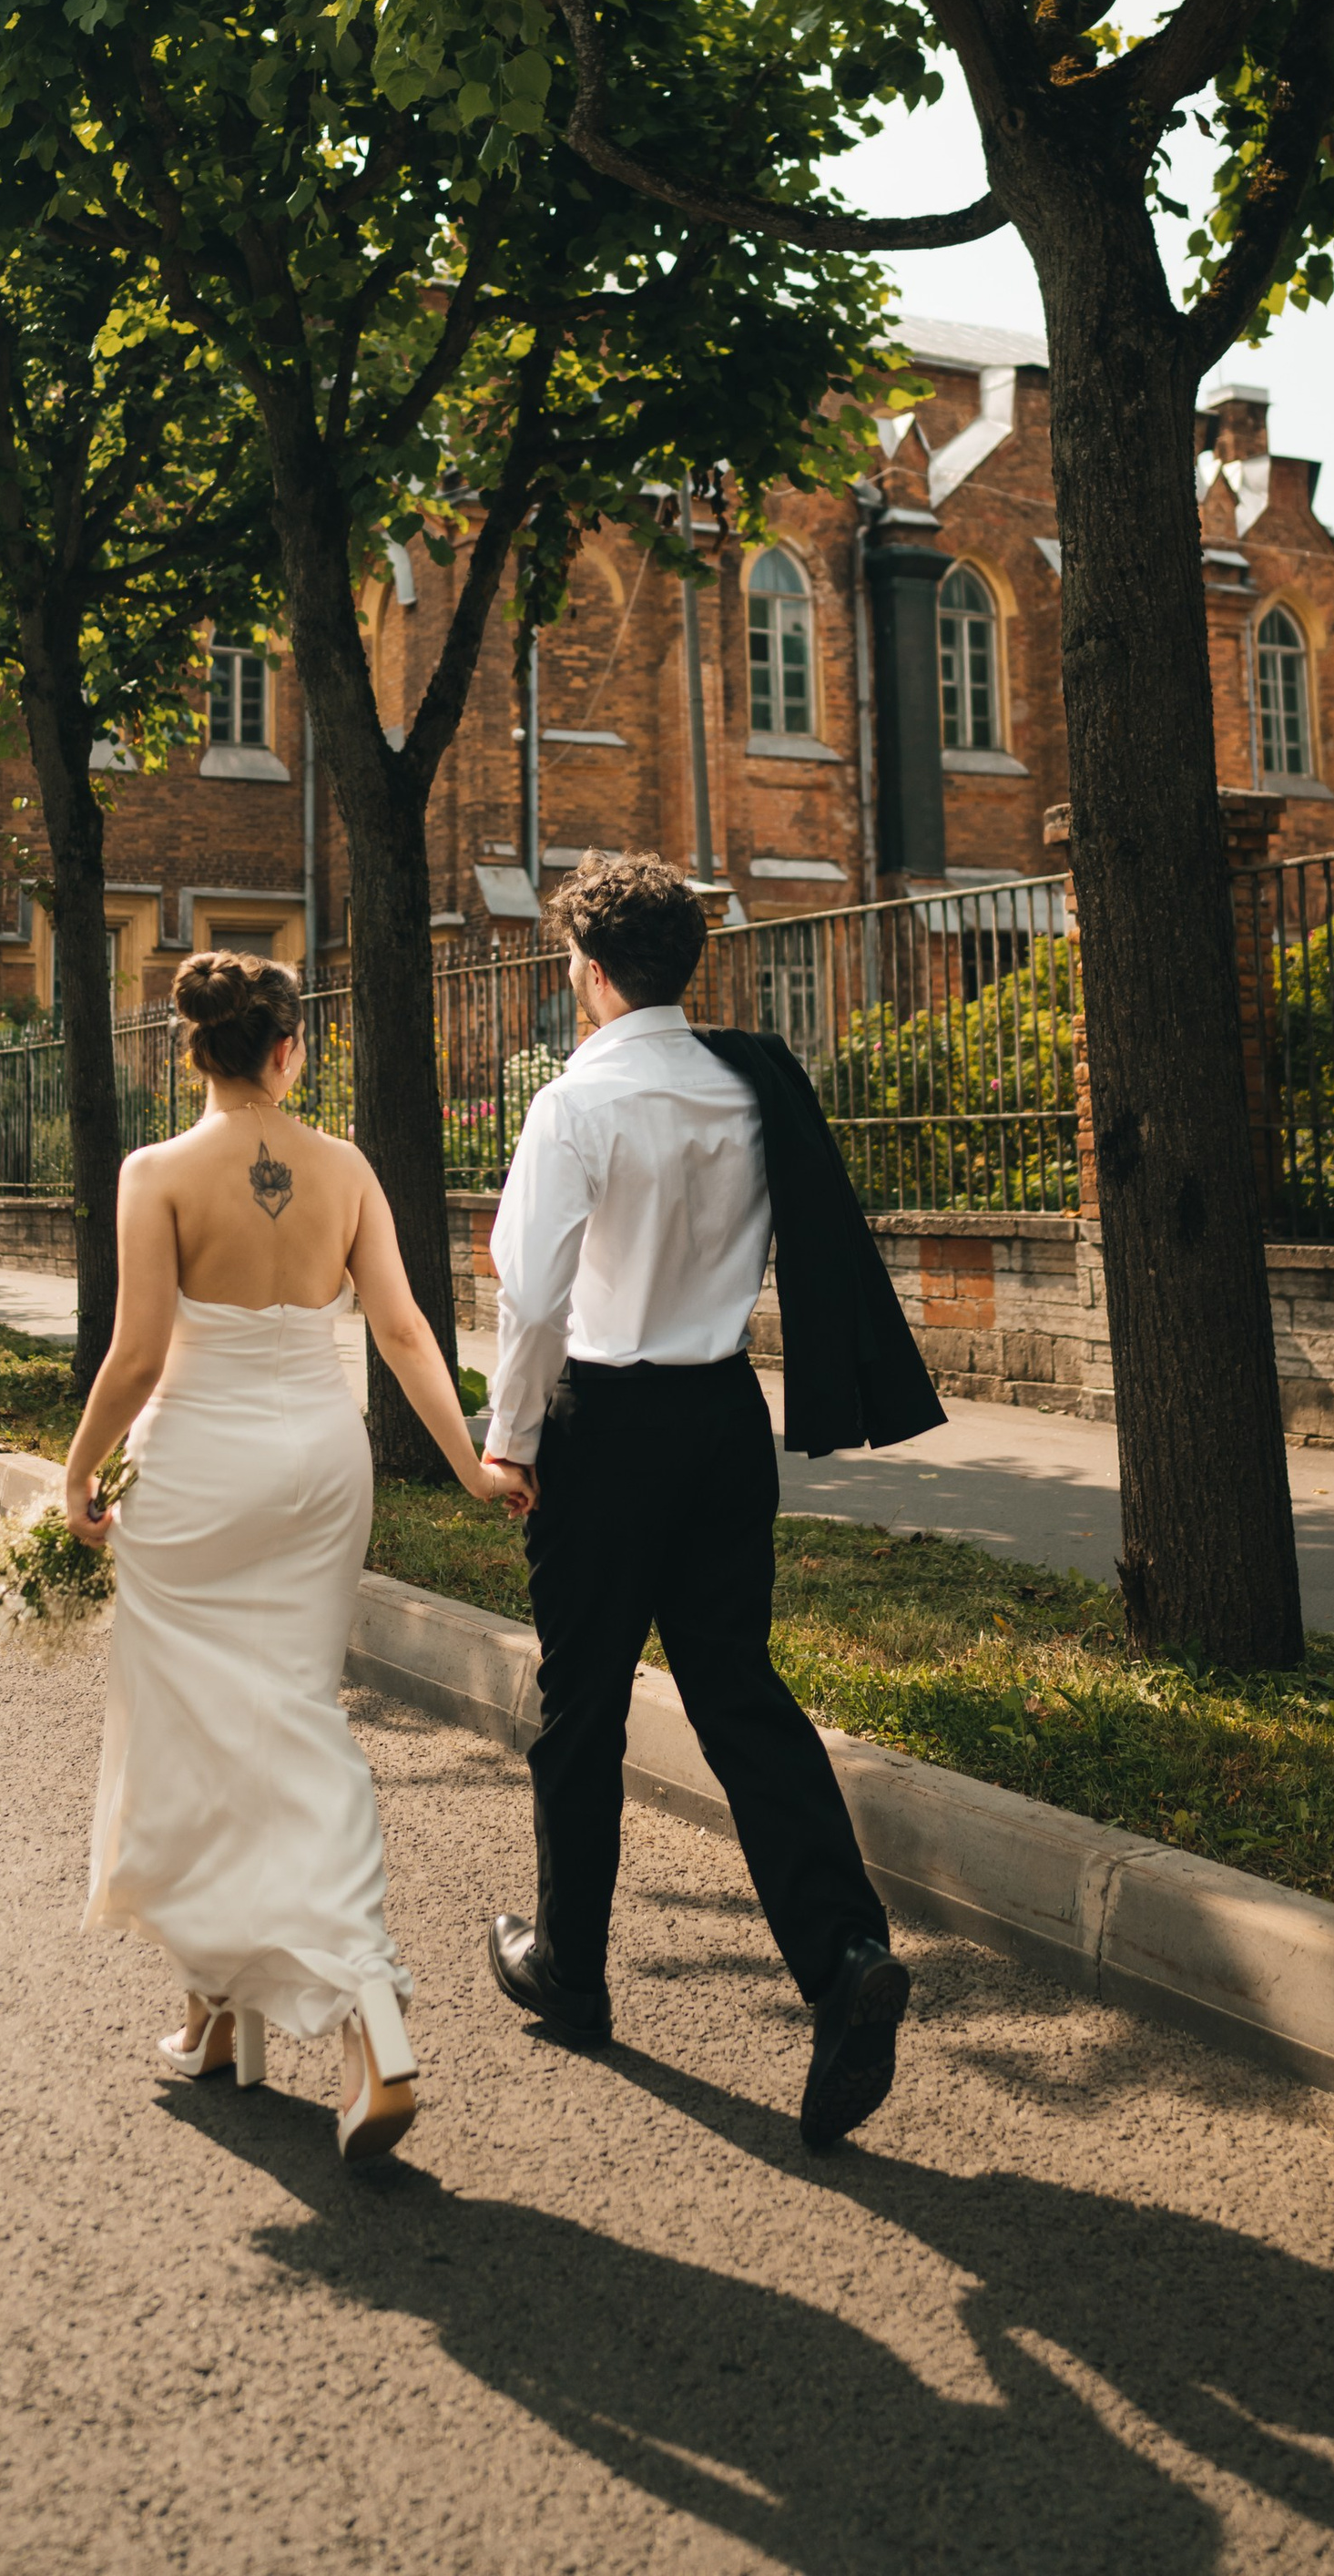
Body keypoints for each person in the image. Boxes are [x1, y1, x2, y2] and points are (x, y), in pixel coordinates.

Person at [483, 852, 940, 2152]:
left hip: (607, 1421)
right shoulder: (746, 1083)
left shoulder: (576, 1103)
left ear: (585, 966)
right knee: (736, 1687)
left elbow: (531, 1294)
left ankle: (570, 1965)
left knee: (582, 1701)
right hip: (724, 1415)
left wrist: (510, 1440)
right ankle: (843, 1947)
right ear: (686, 964)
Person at [66, 949, 528, 2165]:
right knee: (291, 1712)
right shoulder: (346, 1170)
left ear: (191, 1050)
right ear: (291, 1050)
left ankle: (346, 2007)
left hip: (200, 1471)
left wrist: (75, 1469)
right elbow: (404, 1326)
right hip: (324, 1465)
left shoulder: (157, 1173)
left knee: (197, 1733)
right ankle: (229, 2012)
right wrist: (473, 1458)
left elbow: (137, 1356)